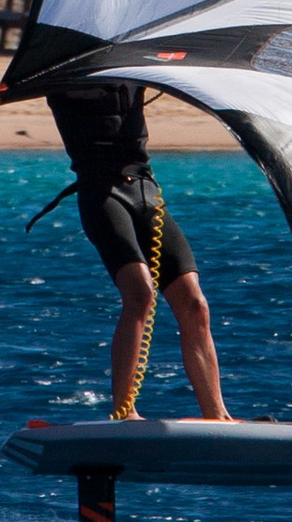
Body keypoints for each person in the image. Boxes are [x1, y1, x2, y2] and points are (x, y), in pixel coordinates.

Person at [51, 76, 229, 420]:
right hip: (103, 194)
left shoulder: (132, 64)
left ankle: (216, 414)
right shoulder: (68, 73)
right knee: (139, 293)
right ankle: (125, 411)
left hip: (146, 191)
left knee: (195, 304)